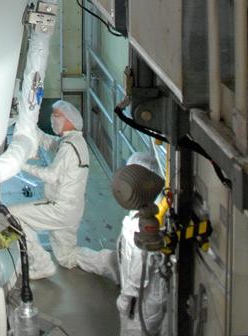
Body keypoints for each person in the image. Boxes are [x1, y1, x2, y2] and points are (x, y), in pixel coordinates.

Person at [76, 151, 170, 335]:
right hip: (144, 299)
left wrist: (125, 300)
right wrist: (80, 257)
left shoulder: (144, 228)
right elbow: (119, 259)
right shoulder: (148, 211)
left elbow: (138, 275)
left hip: (141, 307)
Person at [14, 99, 90, 279]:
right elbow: (48, 142)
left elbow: (50, 176)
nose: (52, 119)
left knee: (13, 216)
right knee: (67, 257)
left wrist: (21, 165)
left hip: (58, 209)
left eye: (56, 115)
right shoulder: (74, 141)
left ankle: (42, 264)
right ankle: (112, 263)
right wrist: (27, 121)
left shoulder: (69, 147)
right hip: (72, 210)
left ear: (70, 120)